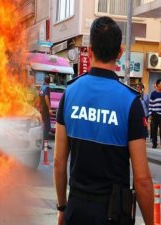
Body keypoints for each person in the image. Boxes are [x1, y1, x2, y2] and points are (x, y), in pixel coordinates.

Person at [54, 16, 153, 225]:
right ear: (120, 52)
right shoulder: (130, 102)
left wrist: (62, 208)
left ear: (90, 51)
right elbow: (142, 179)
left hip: (76, 211)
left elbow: (58, 162)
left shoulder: (70, 94)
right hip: (114, 214)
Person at [39, 75, 53, 148]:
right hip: (45, 110)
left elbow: (39, 98)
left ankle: (44, 144)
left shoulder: (41, 88)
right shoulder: (47, 88)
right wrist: (49, 109)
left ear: (44, 80)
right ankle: (45, 145)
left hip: (41, 109)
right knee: (47, 127)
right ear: (49, 82)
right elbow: (46, 98)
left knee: (44, 127)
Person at [149, 79, 161, 148]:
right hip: (154, 113)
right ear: (157, 84)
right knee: (154, 129)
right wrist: (150, 114)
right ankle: (154, 143)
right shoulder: (153, 93)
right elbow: (150, 104)